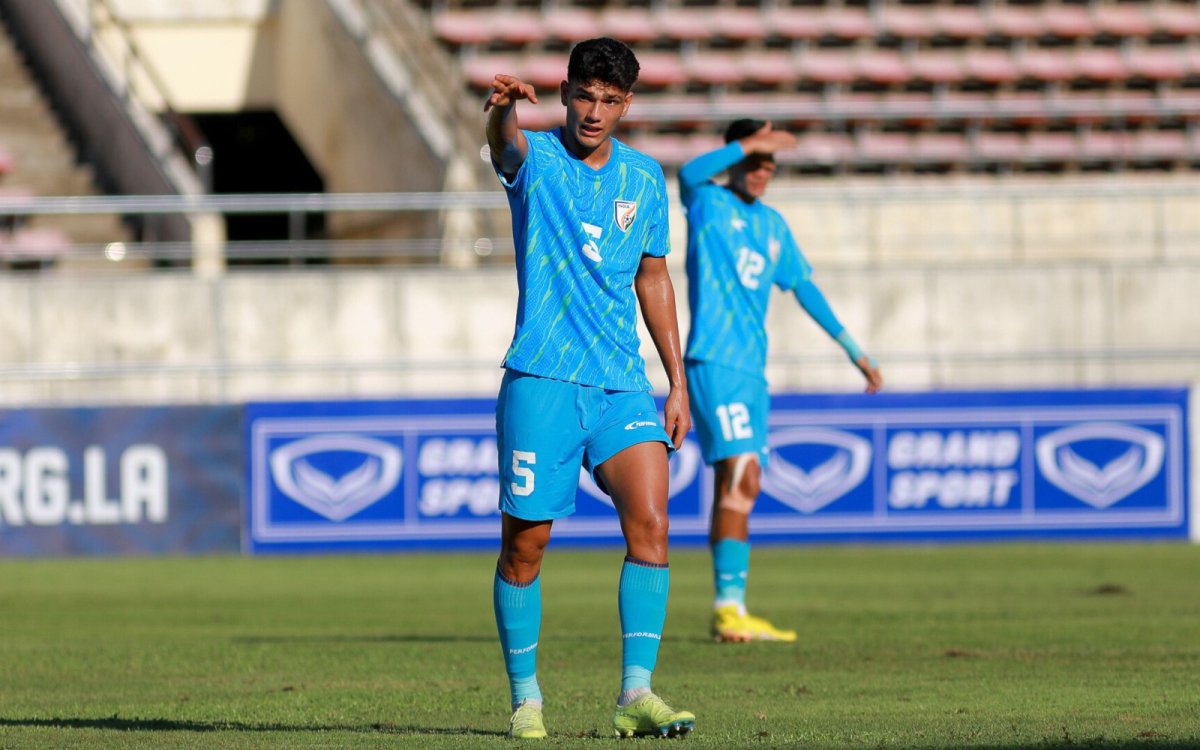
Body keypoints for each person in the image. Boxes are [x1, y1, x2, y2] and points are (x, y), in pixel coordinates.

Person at [484, 37, 695, 739]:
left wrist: (676, 382)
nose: (594, 111)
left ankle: (636, 693)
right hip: (542, 378)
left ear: (626, 104)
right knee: (525, 547)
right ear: (565, 93)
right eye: (584, 96)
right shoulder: (538, 159)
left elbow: (654, 278)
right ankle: (526, 700)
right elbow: (504, 145)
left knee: (652, 524)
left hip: (622, 385)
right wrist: (503, 110)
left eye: (608, 100)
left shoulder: (644, 178)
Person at [679, 119, 884, 643]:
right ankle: (729, 609)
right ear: (737, 158)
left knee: (736, 482)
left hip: (751, 371)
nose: (763, 171)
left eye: (770, 163)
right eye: (755, 160)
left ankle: (729, 609)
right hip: (715, 360)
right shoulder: (707, 202)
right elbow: (689, 172)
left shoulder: (773, 225)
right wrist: (749, 143)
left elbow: (804, 288)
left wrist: (854, 350)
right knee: (743, 474)